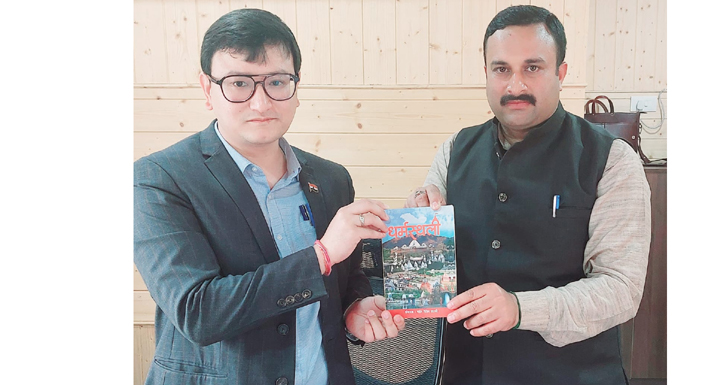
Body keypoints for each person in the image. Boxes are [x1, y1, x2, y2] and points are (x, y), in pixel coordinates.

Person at [134, 9, 404, 385]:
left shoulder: (332, 179)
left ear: (296, 86)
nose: (261, 103)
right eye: (239, 83)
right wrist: (322, 255)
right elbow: (198, 313)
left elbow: (348, 275)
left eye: (276, 82)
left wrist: (353, 309)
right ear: (207, 89)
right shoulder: (160, 178)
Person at [405, 5, 651, 385]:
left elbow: (620, 289)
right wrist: (419, 224)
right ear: (486, 73)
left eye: (532, 68)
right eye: (501, 69)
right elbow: (428, 270)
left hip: (573, 374)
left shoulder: (611, 160)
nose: (515, 85)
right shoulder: (454, 150)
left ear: (560, 74)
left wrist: (521, 308)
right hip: (466, 372)